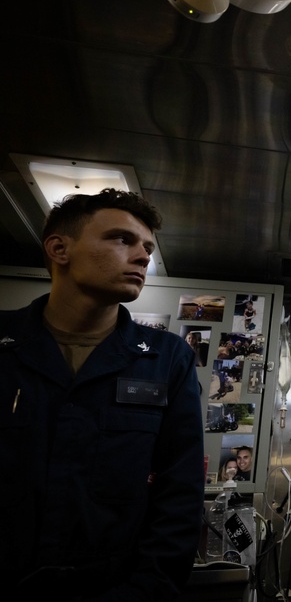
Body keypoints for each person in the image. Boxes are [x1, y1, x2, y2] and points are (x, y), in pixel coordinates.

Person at [0, 188, 205, 600]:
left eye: (147, 247)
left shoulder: (166, 358)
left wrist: (149, 588)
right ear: (60, 248)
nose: (143, 255)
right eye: (121, 239)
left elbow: (179, 493)